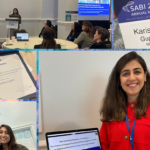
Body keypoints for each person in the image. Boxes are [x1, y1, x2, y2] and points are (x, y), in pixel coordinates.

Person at [99, 51, 150, 150]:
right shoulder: (111, 110)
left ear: (145, 76)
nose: (131, 78)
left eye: (137, 72)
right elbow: (102, 146)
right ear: (119, 80)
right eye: (126, 73)